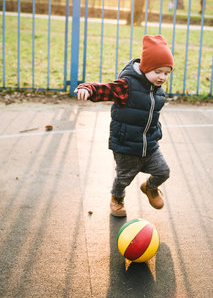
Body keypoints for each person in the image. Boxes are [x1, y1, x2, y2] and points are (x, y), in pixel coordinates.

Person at [75, 35, 174, 217]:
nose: (162, 77)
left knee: (163, 171)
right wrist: (87, 89)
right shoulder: (127, 85)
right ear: (146, 68)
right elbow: (105, 89)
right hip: (126, 146)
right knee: (124, 178)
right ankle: (117, 198)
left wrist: (156, 133)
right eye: (158, 71)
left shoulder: (158, 91)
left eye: (167, 73)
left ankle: (150, 188)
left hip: (149, 145)